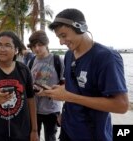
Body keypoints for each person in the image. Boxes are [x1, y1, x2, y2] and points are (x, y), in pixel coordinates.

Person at [39, 8, 129, 141]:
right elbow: (75, 89)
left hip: (92, 134)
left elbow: (121, 105)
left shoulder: (106, 57)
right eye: (59, 37)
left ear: (81, 28)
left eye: (64, 35)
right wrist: (61, 97)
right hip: (67, 130)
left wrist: (69, 97)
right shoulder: (69, 55)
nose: (61, 42)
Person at [27, 30, 64, 141]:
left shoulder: (57, 60)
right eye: (34, 46)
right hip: (34, 110)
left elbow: (65, 86)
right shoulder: (31, 61)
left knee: (51, 137)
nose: (36, 49)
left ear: (46, 44)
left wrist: (64, 112)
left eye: (40, 45)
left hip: (52, 110)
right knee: (34, 137)